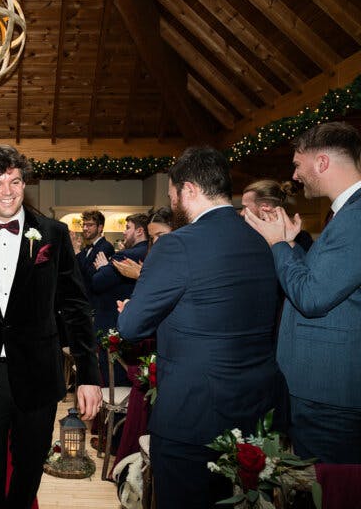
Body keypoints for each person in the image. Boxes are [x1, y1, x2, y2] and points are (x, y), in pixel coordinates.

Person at [118, 146, 287, 508]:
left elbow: (131, 328)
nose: (173, 202)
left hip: (194, 417)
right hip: (257, 412)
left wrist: (135, 305)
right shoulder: (265, 242)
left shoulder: (177, 245)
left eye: (172, 194)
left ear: (189, 189)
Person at [0, 145, 102, 509]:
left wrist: (89, 375)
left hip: (38, 373)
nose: (8, 191)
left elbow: (76, 306)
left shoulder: (53, 233)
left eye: (15, 181)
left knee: (29, 474)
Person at [244, 121, 361, 464]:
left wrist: (278, 243)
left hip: (331, 393)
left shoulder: (356, 217)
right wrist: (293, 246)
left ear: (322, 162)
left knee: (329, 491)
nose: (294, 175)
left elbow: (311, 299)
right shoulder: (344, 216)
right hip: (320, 388)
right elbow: (323, 281)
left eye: (298, 164)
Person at [90, 213, 149, 385]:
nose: (124, 232)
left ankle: (116, 413)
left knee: (114, 380)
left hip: (114, 325)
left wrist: (102, 268)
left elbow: (97, 282)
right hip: (140, 326)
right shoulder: (151, 253)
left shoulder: (124, 256)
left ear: (139, 231)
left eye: (127, 228)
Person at [240, 179, 313, 252]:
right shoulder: (245, 237)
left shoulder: (301, 239)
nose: (242, 213)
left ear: (264, 209)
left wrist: (289, 243)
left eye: (245, 207)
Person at [111, 207, 173, 280]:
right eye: (152, 237)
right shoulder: (155, 255)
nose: (155, 241)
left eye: (160, 235)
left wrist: (140, 275)